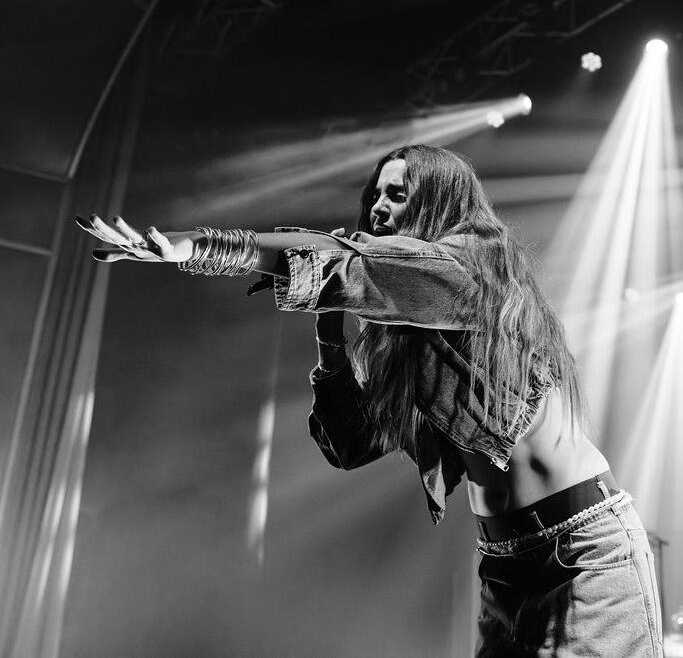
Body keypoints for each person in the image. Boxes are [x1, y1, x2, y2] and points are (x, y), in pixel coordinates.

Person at [77, 144, 663, 657]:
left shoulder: (470, 271)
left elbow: (339, 257)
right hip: (504, 565)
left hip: (582, 553)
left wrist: (192, 247)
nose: (378, 207)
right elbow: (351, 444)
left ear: (438, 202)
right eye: (375, 195)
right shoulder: (404, 330)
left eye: (397, 195)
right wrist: (329, 334)